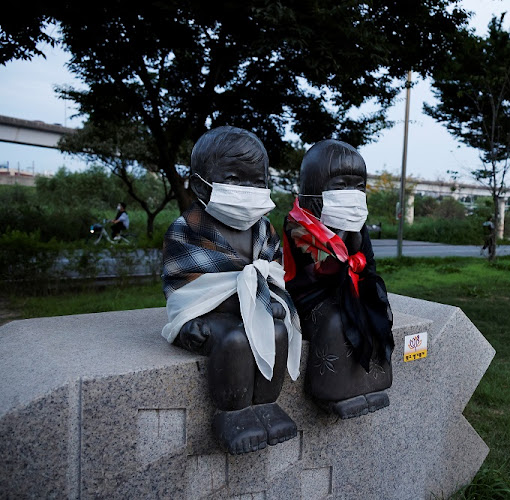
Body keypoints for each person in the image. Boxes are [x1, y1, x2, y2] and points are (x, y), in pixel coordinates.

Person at [160, 126, 302, 455]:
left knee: (278, 333)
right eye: (236, 180)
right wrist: (193, 320)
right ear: (199, 185)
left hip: (249, 308)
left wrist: (271, 298)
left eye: (257, 181)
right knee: (236, 340)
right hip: (209, 315)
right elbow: (183, 285)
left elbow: (273, 273)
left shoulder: (263, 229)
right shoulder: (187, 228)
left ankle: (267, 405)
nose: (249, 191)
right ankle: (233, 414)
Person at [283, 139, 394, 420]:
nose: (352, 195)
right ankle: (331, 391)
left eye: (358, 187)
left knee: (375, 308)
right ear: (314, 188)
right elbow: (320, 271)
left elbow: (367, 263)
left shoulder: (358, 223)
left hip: (349, 287)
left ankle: (373, 382)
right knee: (335, 320)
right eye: (342, 185)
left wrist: (353, 235)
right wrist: (342, 236)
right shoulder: (299, 223)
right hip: (311, 296)